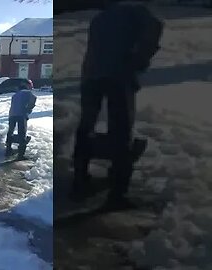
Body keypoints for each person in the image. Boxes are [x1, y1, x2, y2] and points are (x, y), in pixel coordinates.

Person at [70, 1, 163, 209]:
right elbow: (153, 30)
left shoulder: (99, 18)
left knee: (86, 126)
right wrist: (138, 62)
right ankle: (117, 194)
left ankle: (79, 180)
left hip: (90, 77)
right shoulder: (138, 11)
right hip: (118, 76)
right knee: (121, 130)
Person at [6, 82, 37, 160]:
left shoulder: (14, 95)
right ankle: (20, 155)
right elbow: (34, 98)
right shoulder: (28, 92)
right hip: (21, 114)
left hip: (12, 115)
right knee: (22, 133)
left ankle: (8, 150)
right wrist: (28, 110)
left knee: (10, 131)